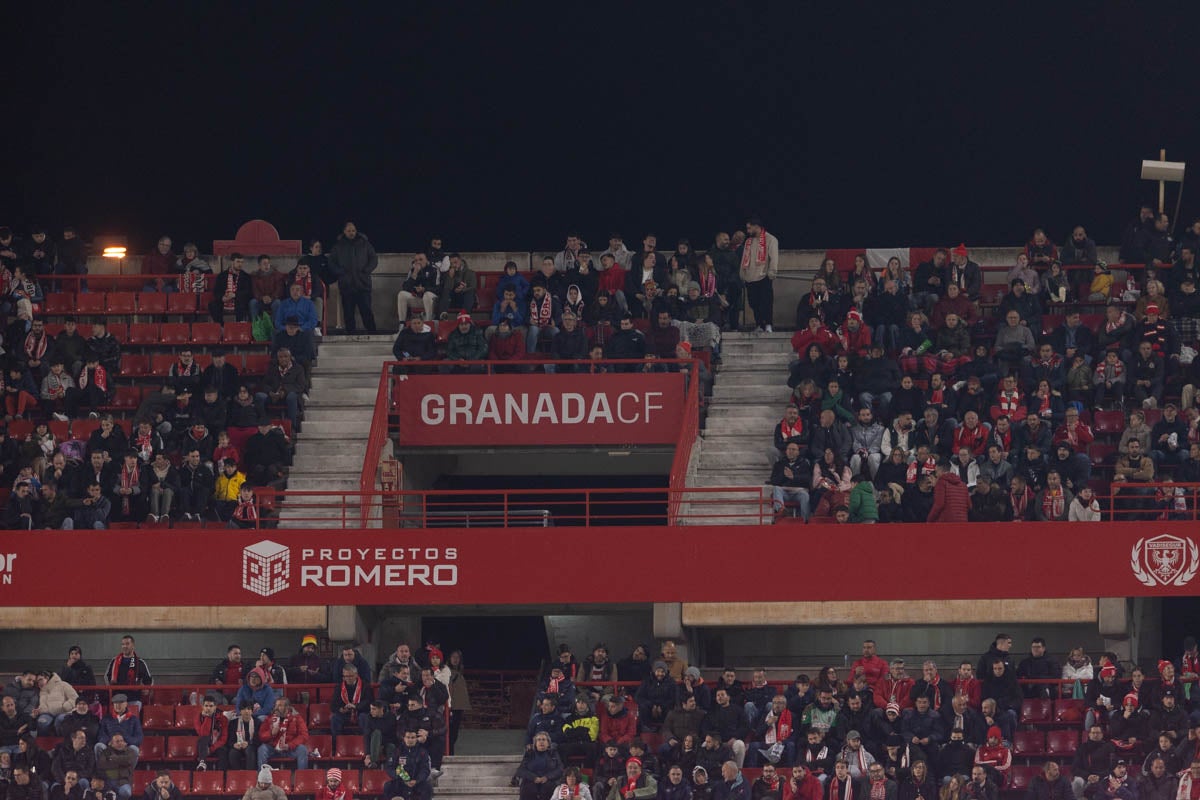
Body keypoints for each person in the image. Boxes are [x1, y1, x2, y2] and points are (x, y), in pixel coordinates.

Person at [328, 221, 378, 335]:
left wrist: (366, 271)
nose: (351, 232)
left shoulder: (365, 244)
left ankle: (373, 333)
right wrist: (341, 272)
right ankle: (350, 334)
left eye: (353, 230)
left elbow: (374, 259)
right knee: (348, 312)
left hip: (363, 284)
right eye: (349, 230)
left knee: (366, 311)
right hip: (346, 285)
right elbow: (331, 263)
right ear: (344, 232)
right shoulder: (338, 246)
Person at [741, 217, 779, 333]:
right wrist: (742, 274)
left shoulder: (770, 239)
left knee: (766, 302)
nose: (747, 231)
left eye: (749, 228)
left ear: (756, 226)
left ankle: (768, 324)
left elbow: (774, 257)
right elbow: (744, 259)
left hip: (764, 276)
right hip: (750, 277)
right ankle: (759, 324)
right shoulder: (749, 241)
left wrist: (772, 272)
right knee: (754, 303)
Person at [256, 697, 309, 770]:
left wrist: (289, 745)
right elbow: (261, 735)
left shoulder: (296, 718)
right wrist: (271, 733)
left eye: (280, 705)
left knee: (302, 749)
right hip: (274, 749)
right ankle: (262, 777)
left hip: (290, 749)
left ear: (287, 707)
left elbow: (304, 736)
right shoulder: (270, 718)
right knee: (262, 749)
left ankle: (302, 778)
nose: (276, 708)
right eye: (276, 705)